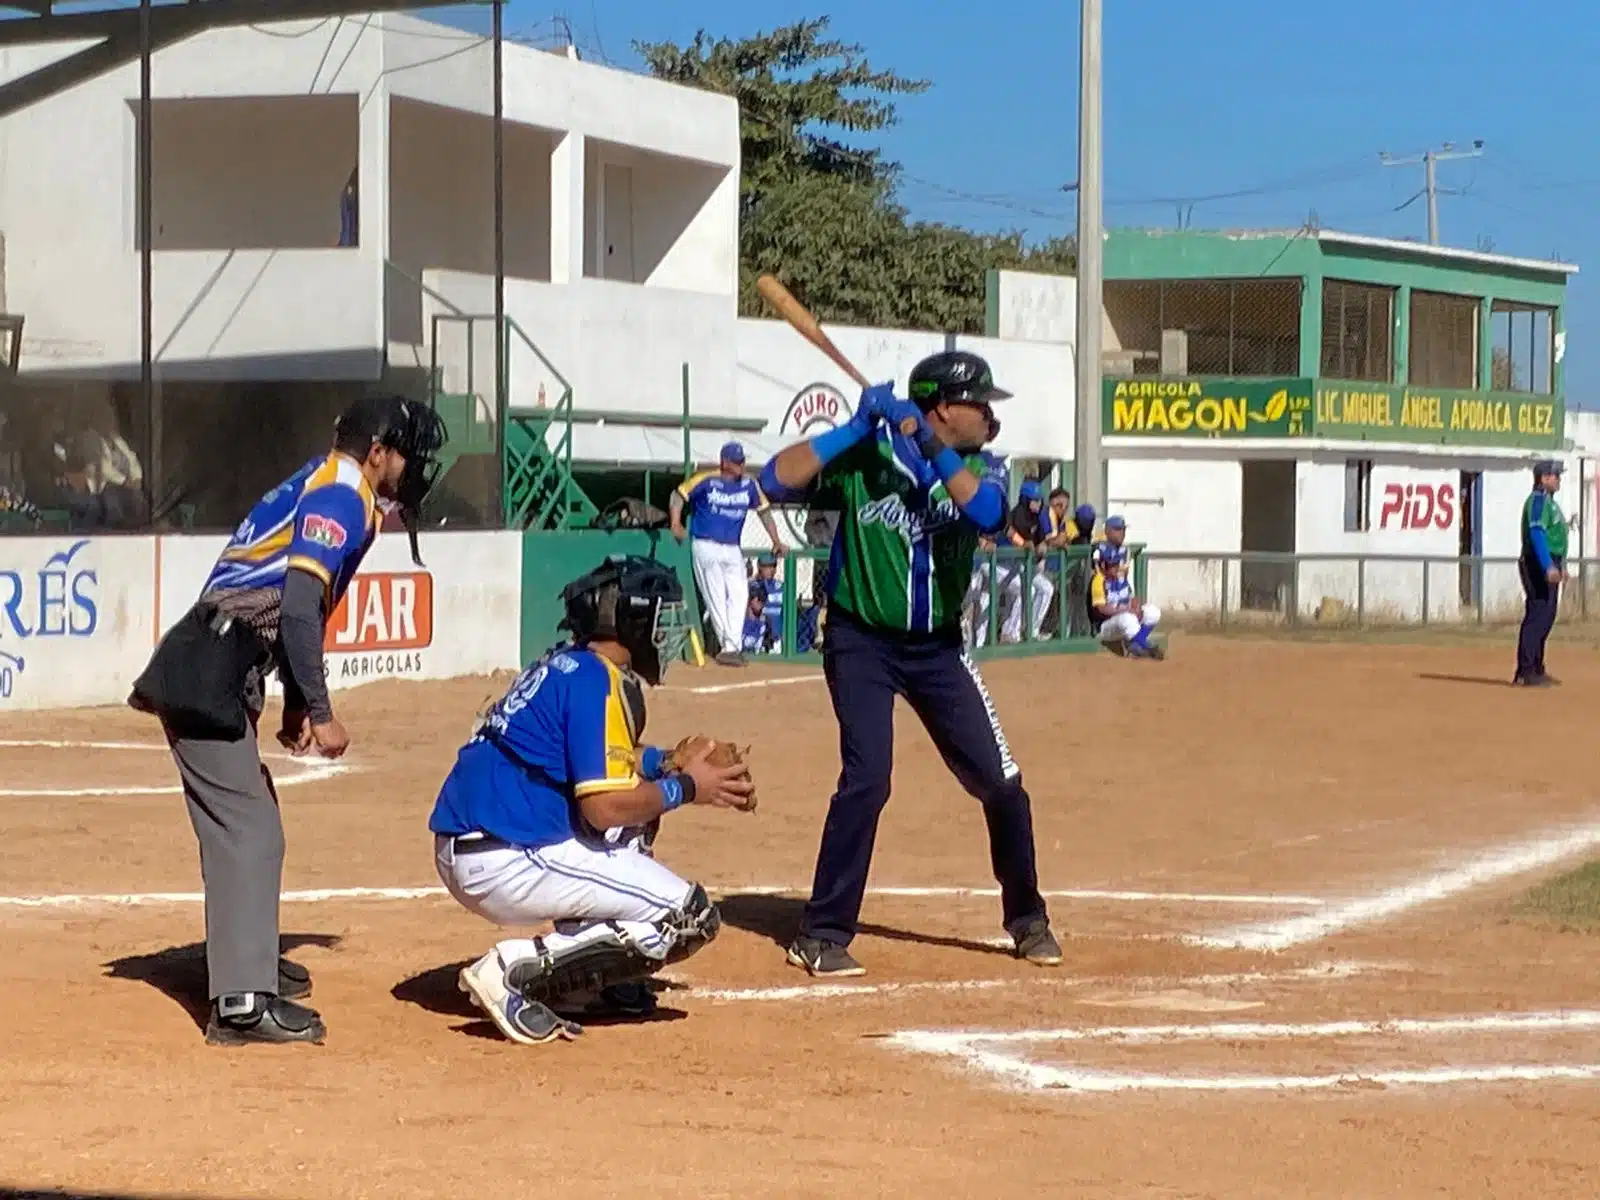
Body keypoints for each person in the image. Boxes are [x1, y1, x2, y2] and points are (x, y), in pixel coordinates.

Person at [129, 395, 446, 1046]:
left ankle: (242, 958)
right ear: (378, 453)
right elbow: (300, 606)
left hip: (220, 657)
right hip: (210, 663)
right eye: (406, 454)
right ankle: (241, 1003)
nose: (413, 468)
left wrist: (296, 701)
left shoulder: (330, 484)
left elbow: (288, 604)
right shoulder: (340, 495)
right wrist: (322, 711)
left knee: (251, 820)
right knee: (246, 830)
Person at [760, 349, 1062, 977]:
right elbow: (774, 479)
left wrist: (928, 445)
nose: (988, 414)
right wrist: (854, 429)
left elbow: (989, 514)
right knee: (868, 778)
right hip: (860, 640)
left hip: (938, 648)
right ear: (945, 405)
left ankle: (1027, 916)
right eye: (979, 403)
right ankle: (821, 932)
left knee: (1001, 784)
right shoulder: (865, 461)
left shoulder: (981, 465)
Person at [430, 556, 754, 1044]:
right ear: (630, 621)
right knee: (690, 917)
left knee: (637, 825)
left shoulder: (569, 666)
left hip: (482, 839)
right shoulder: (596, 681)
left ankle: (595, 979)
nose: (665, 633)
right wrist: (689, 788)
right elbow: (600, 808)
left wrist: (666, 761)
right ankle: (512, 970)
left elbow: (595, 760)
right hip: (504, 854)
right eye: (660, 618)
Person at [670, 441, 784, 666]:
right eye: (737, 461)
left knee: (740, 594)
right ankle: (729, 646)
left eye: (742, 460)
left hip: (733, 547)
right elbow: (678, 495)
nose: (742, 465)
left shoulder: (749, 485)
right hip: (706, 544)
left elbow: (764, 511)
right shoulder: (706, 480)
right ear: (724, 462)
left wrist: (776, 540)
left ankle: (732, 645)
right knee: (716, 595)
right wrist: (675, 523)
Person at [1515, 459, 1568, 687]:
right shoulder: (1537, 500)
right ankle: (1525, 670)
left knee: (1547, 615)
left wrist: (1560, 564)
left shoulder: (1549, 502)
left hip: (1549, 560)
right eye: (1555, 475)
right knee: (1538, 614)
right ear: (1544, 478)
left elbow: (1557, 537)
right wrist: (1547, 565)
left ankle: (1536, 666)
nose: (1558, 479)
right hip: (1537, 561)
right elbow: (1537, 533)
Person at [1089, 543, 1164, 659]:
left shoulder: (1120, 578)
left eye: (1116, 563)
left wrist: (1136, 607)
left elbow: (1132, 598)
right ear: (1103, 565)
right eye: (1112, 564)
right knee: (1127, 618)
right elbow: (1101, 609)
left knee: (1153, 612)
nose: (1116, 567)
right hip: (1107, 627)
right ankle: (1147, 646)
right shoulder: (1098, 581)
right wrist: (1126, 609)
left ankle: (1135, 644)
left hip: (1126, 620)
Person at [752, 554, 784, 646]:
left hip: (779, 636)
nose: (770, 570)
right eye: (765, 566)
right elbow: (755, 608)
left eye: (772, 566)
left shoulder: (781, 586)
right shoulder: (754, 585)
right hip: (760, 634)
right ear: (759, 567)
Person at [742, 584, 777, 656]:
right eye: (759, 599)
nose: (762, 603)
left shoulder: (766, 621)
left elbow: (770, 648)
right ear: (751, 600)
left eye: (764, 600)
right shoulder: (739, 619)